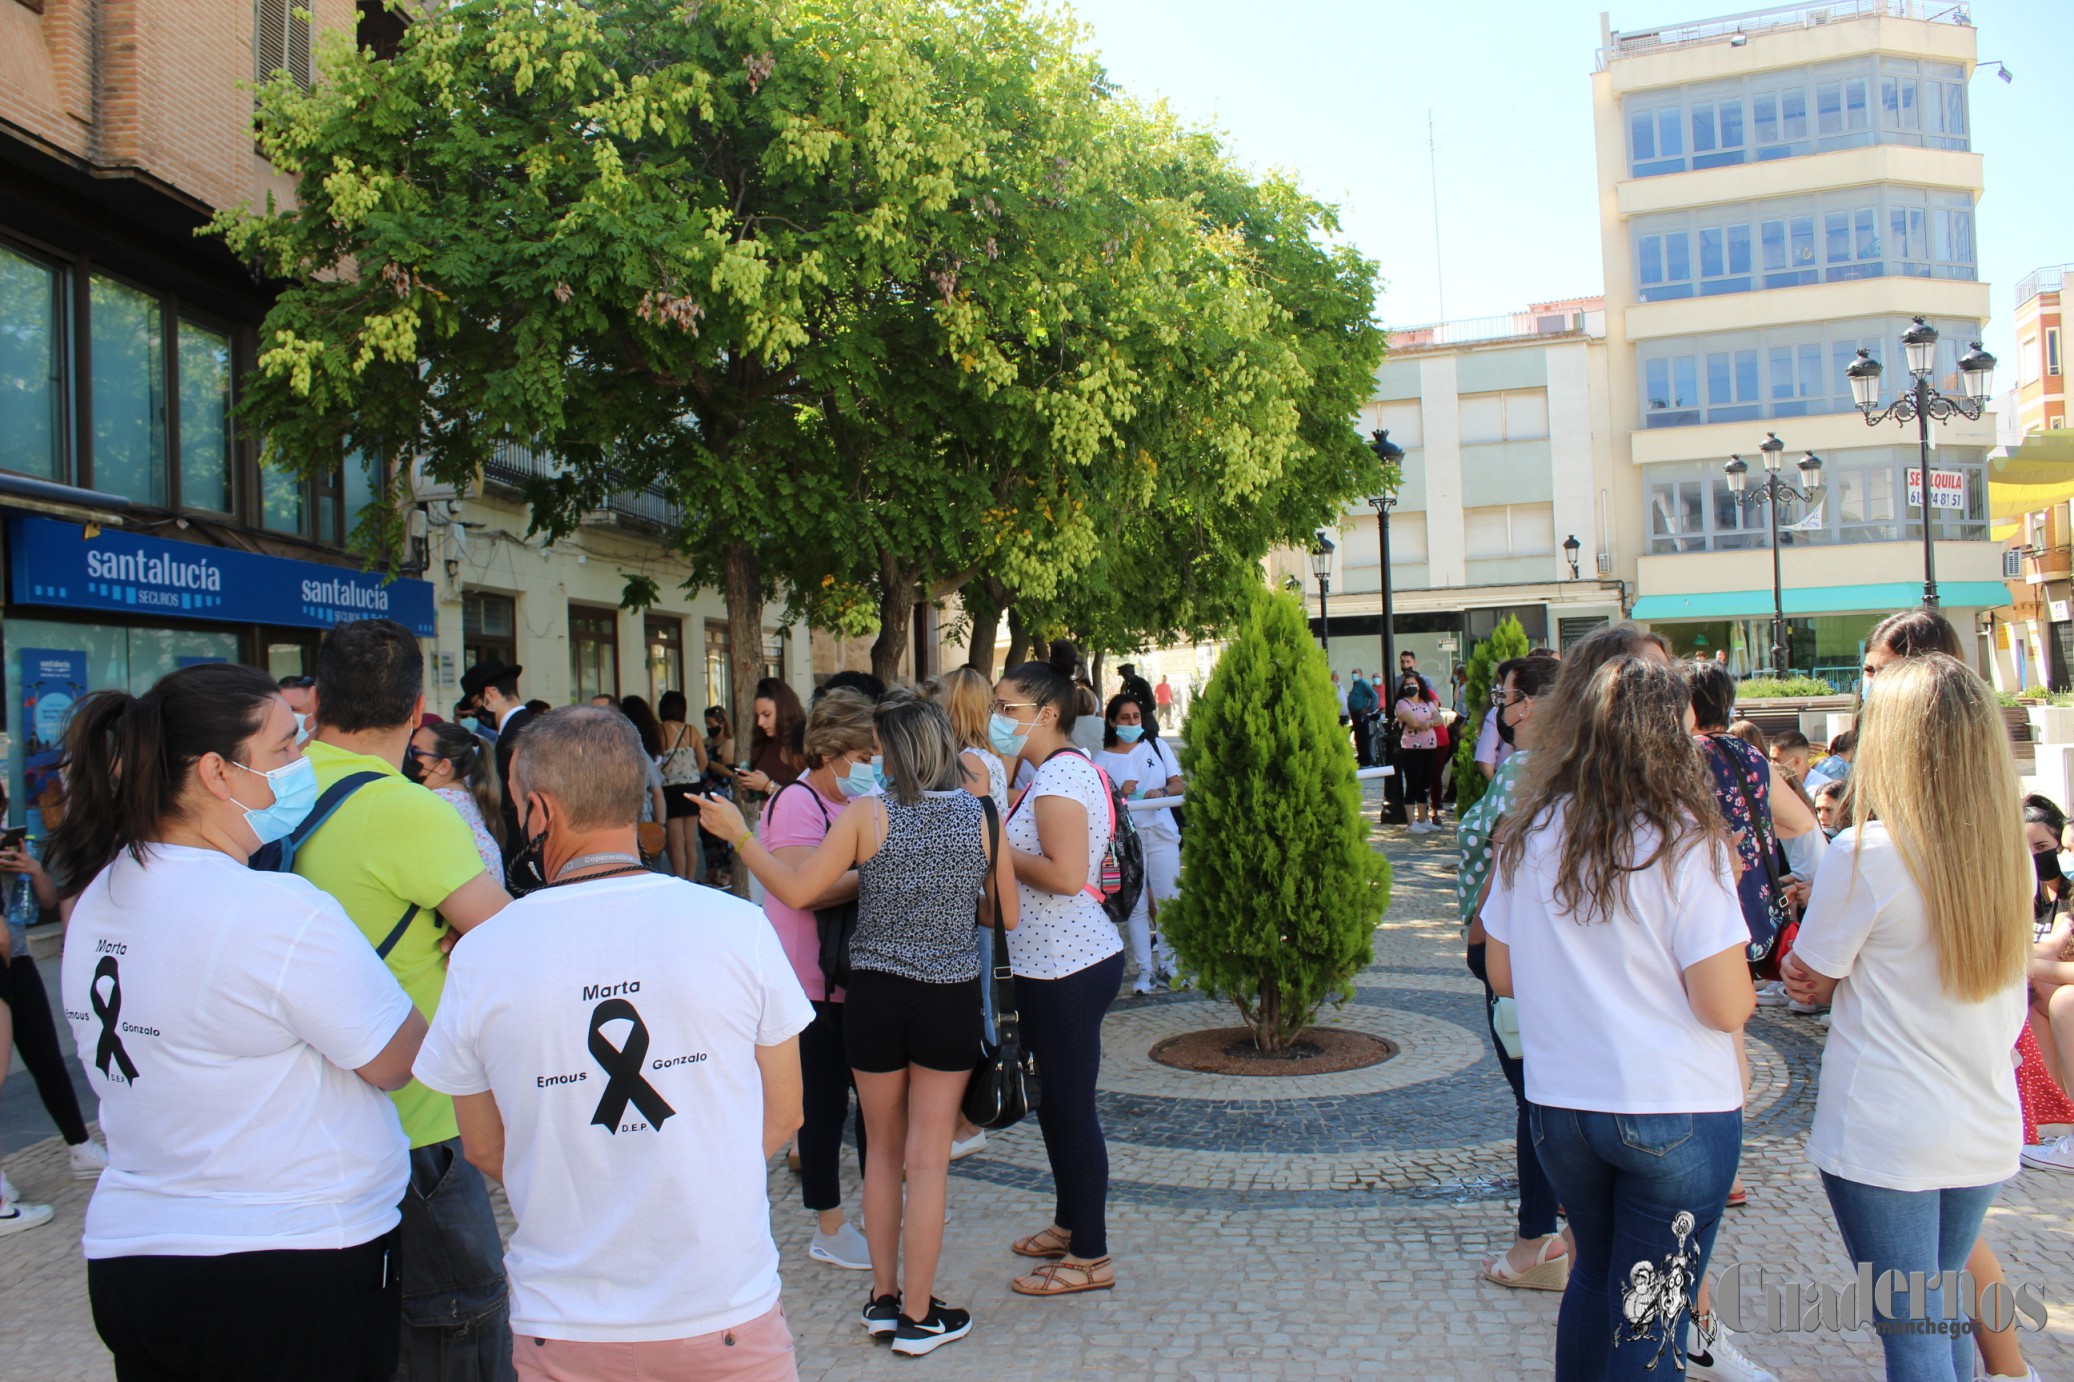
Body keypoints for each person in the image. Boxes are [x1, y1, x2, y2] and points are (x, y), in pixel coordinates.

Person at [48, 663, 425, 1380]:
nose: (302, 762)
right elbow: (395, 1059)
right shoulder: (275, 911)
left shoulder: (101, 895)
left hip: (137, 1258)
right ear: (218, 773)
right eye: (285, 748)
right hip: (287, 1265)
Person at [413, 706, 813, 1382]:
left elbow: (483, 1146)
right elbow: (785, 1112)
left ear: (538, 810)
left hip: (565, 1321)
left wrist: (581, 1187)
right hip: (722, 1307)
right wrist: (697, 1180)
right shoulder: (736, 926)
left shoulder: (484, 955)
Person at [697, 692, 1018, 1356]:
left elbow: (795, 890)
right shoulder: (983, 815)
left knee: (880, 1151)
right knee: (928, 1161)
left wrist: (741, 836)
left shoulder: (866, 815)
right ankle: (921, 1315)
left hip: (872, 997)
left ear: (893, 751)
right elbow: (1005, 916)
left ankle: (883, 1297)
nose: (871, 758)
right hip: (946, 996)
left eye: (876, 747)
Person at [1483, 648, 1758, 1382]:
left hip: (1565, 1106)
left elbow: (1502, 972)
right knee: (1651, 1325)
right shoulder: (1684, 840)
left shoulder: (1531, 833)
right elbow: (1726, 1001)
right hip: (1674, 1106)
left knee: (1594, 1278)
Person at [1781, 654, 2031, 1382]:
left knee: (1914, 1330)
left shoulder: (1867, 853)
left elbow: (1812, 980)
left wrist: (1815, 975)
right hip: (1981, 1119)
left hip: (1888, 1128)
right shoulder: (2004, 854)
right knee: (1940, 1307)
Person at [303, 620, 516, 1378]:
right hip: (415, 1121)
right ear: (419, 708)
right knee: (457, 1321)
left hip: (302, 1121)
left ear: (319, 697)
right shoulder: (406, 810)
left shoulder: (271, 794)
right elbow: (509, 944)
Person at [991, 659, 1125, 1297]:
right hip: (1051, 960)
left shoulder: (1060, 778)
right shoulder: (1050, 773)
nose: (998, 719)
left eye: (1007, 708)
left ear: (1046, 714)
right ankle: (1072, 1221)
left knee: (1071, 1109)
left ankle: (1091, 1255)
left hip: (1068, 964)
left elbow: (1067, 874)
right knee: (1057, 1106)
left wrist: (992, 847)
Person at [1458, 653, 1565, 1293]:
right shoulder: (1564, 768)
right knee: (1550, 1092)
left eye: (1508, 696)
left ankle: (1536, 1239)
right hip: (1545, 948)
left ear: (1530, 705)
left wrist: (1478, 934)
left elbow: (1502, 856)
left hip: (1512, 948)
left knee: (1536, 1098)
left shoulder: (1525, 770)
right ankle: (1566, 1230)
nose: (1503, 707)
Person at [1096, 693, 1183, 995]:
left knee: (1169, 901)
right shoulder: (1101, 759)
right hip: (1127, 841)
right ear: (1112, 721)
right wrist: (1119, 792)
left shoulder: (1157, 746)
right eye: (1125, 718)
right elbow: (1100, 802)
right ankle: (1144, 970)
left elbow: (1178, 782)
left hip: (1161, 834)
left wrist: (1161, 791)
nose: (1133, 723)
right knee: (1136, 906)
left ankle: (1171, 966)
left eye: (1136, 717)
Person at [406, 720, 506, 878]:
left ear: (443, 766)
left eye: (416, 753)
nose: (409, 758)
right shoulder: (466, 792)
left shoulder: (435, 803)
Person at [460, 657, 532, 869]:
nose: (477, 713)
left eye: (476, 704)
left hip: (523, 847)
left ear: (490, 694)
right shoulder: (526, 725)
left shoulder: (516, 732)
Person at [654, 691, 709, 881]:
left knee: (676, 842)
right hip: (692, 787)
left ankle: (681, 880)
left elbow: (658, 762)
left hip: (670, 789)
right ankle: (691, 880)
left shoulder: (660, 731)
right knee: (690, 842)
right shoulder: (692, 730)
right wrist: (693, 775)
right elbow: (703, 760)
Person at [1393, 669, 1442, 835]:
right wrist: (1429, 722)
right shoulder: (1402, 703)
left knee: (1425, 784)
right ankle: (1411, 822)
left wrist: (1429, 723)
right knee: (1413, 783)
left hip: (1429, 746)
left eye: (1414, 684)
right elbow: (1413, 722)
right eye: (1408, 685)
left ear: (1420, 686)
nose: (1411, 687)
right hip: (1411, 748)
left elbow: (1439, 718)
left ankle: (1423, 818)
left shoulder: (1426, 702)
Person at [1346, 668, 1379, 768]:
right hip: (1355, 714)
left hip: (1361, 714)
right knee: (1358, 737)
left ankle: (1366, 760)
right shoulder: (1356, 685)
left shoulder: (1363, 683)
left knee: (1363, 737)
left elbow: (1375, 696)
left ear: (1361, 674)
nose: (1354, 675)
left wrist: (1369, 709)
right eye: (1352, 673)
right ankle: (1361, 758)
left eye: (1356, 673)